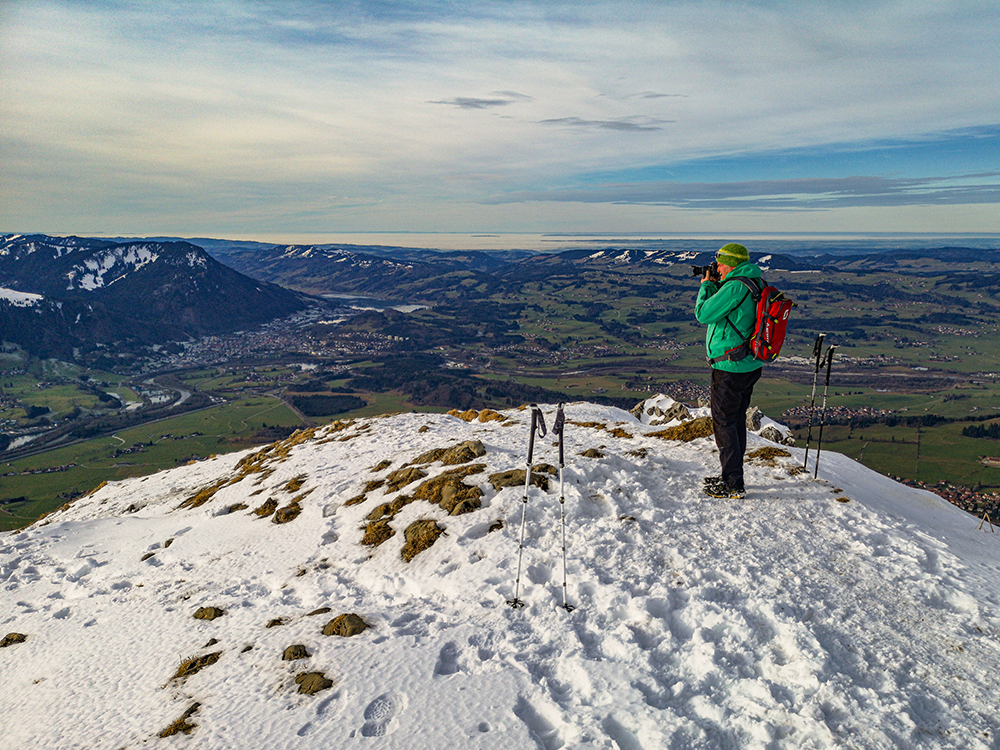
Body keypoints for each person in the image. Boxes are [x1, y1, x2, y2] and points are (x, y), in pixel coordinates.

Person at [694, 242, 764, 499]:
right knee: (734, 421)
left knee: (724, 422)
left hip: (730, 366)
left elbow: (703, 313)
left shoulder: (736, 286)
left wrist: (706, 286)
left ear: (732, 263)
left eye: (720, 263)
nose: (718, 268)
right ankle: (732, 476)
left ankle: (733, 484)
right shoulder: (755, 282)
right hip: (748, 364)